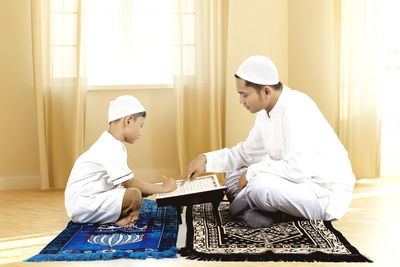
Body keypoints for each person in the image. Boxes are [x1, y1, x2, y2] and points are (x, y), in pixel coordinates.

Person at [185, 55, 355, 228]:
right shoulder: (265, 111)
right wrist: (206, 159)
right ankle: (262, 211)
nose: (241, 101)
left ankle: (255, 211)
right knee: (234, 176)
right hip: (293, 183)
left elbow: (297, 169)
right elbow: (247, 153)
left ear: (266, 91)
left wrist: (251, 173)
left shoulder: (297, 107)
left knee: (258, 186)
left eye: (244, 95)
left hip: (323, 192)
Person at [65, 95, 177, 228]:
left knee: (138, 191)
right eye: (141, 126)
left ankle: (118, 219)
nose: (141, 132)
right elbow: (129, 182)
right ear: (128, 120)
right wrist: (162, 188)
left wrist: (150, 188)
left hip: (88, 200)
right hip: (83, 204)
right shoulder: (109, 146)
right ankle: (118, 218)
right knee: (134, 193)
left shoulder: (113, 144)